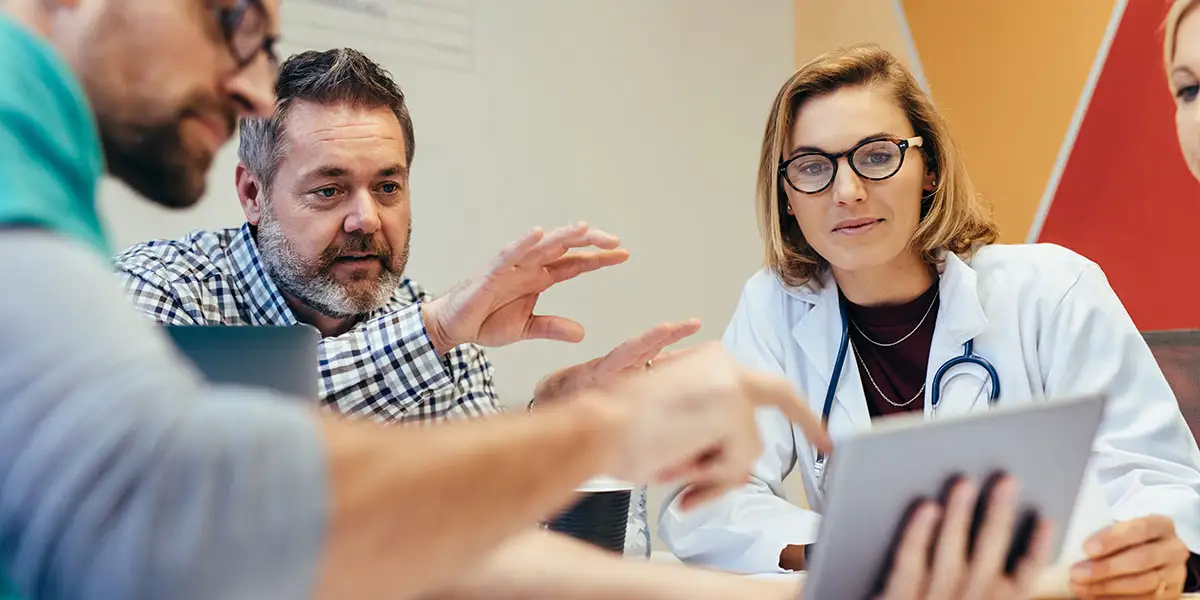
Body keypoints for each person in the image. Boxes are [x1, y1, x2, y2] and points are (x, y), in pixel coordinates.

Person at [0, 2, 1051, 599]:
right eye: (231, 20)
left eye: (389, 185)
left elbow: (463, 546)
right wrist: (582, 423)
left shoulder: (54, 177)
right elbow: (195, 481)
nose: (243, 84)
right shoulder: (151, 280)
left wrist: (559, 430)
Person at [657, 43, 1200, 599]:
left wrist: (1154, 549)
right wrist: (846, 549)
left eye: (875, 156)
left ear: (930, 170)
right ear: (788, 197)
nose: (847, 192)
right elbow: (708, 499)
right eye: (813, 168)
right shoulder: (775, 306)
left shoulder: (1054, 290)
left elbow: (1158, 480)